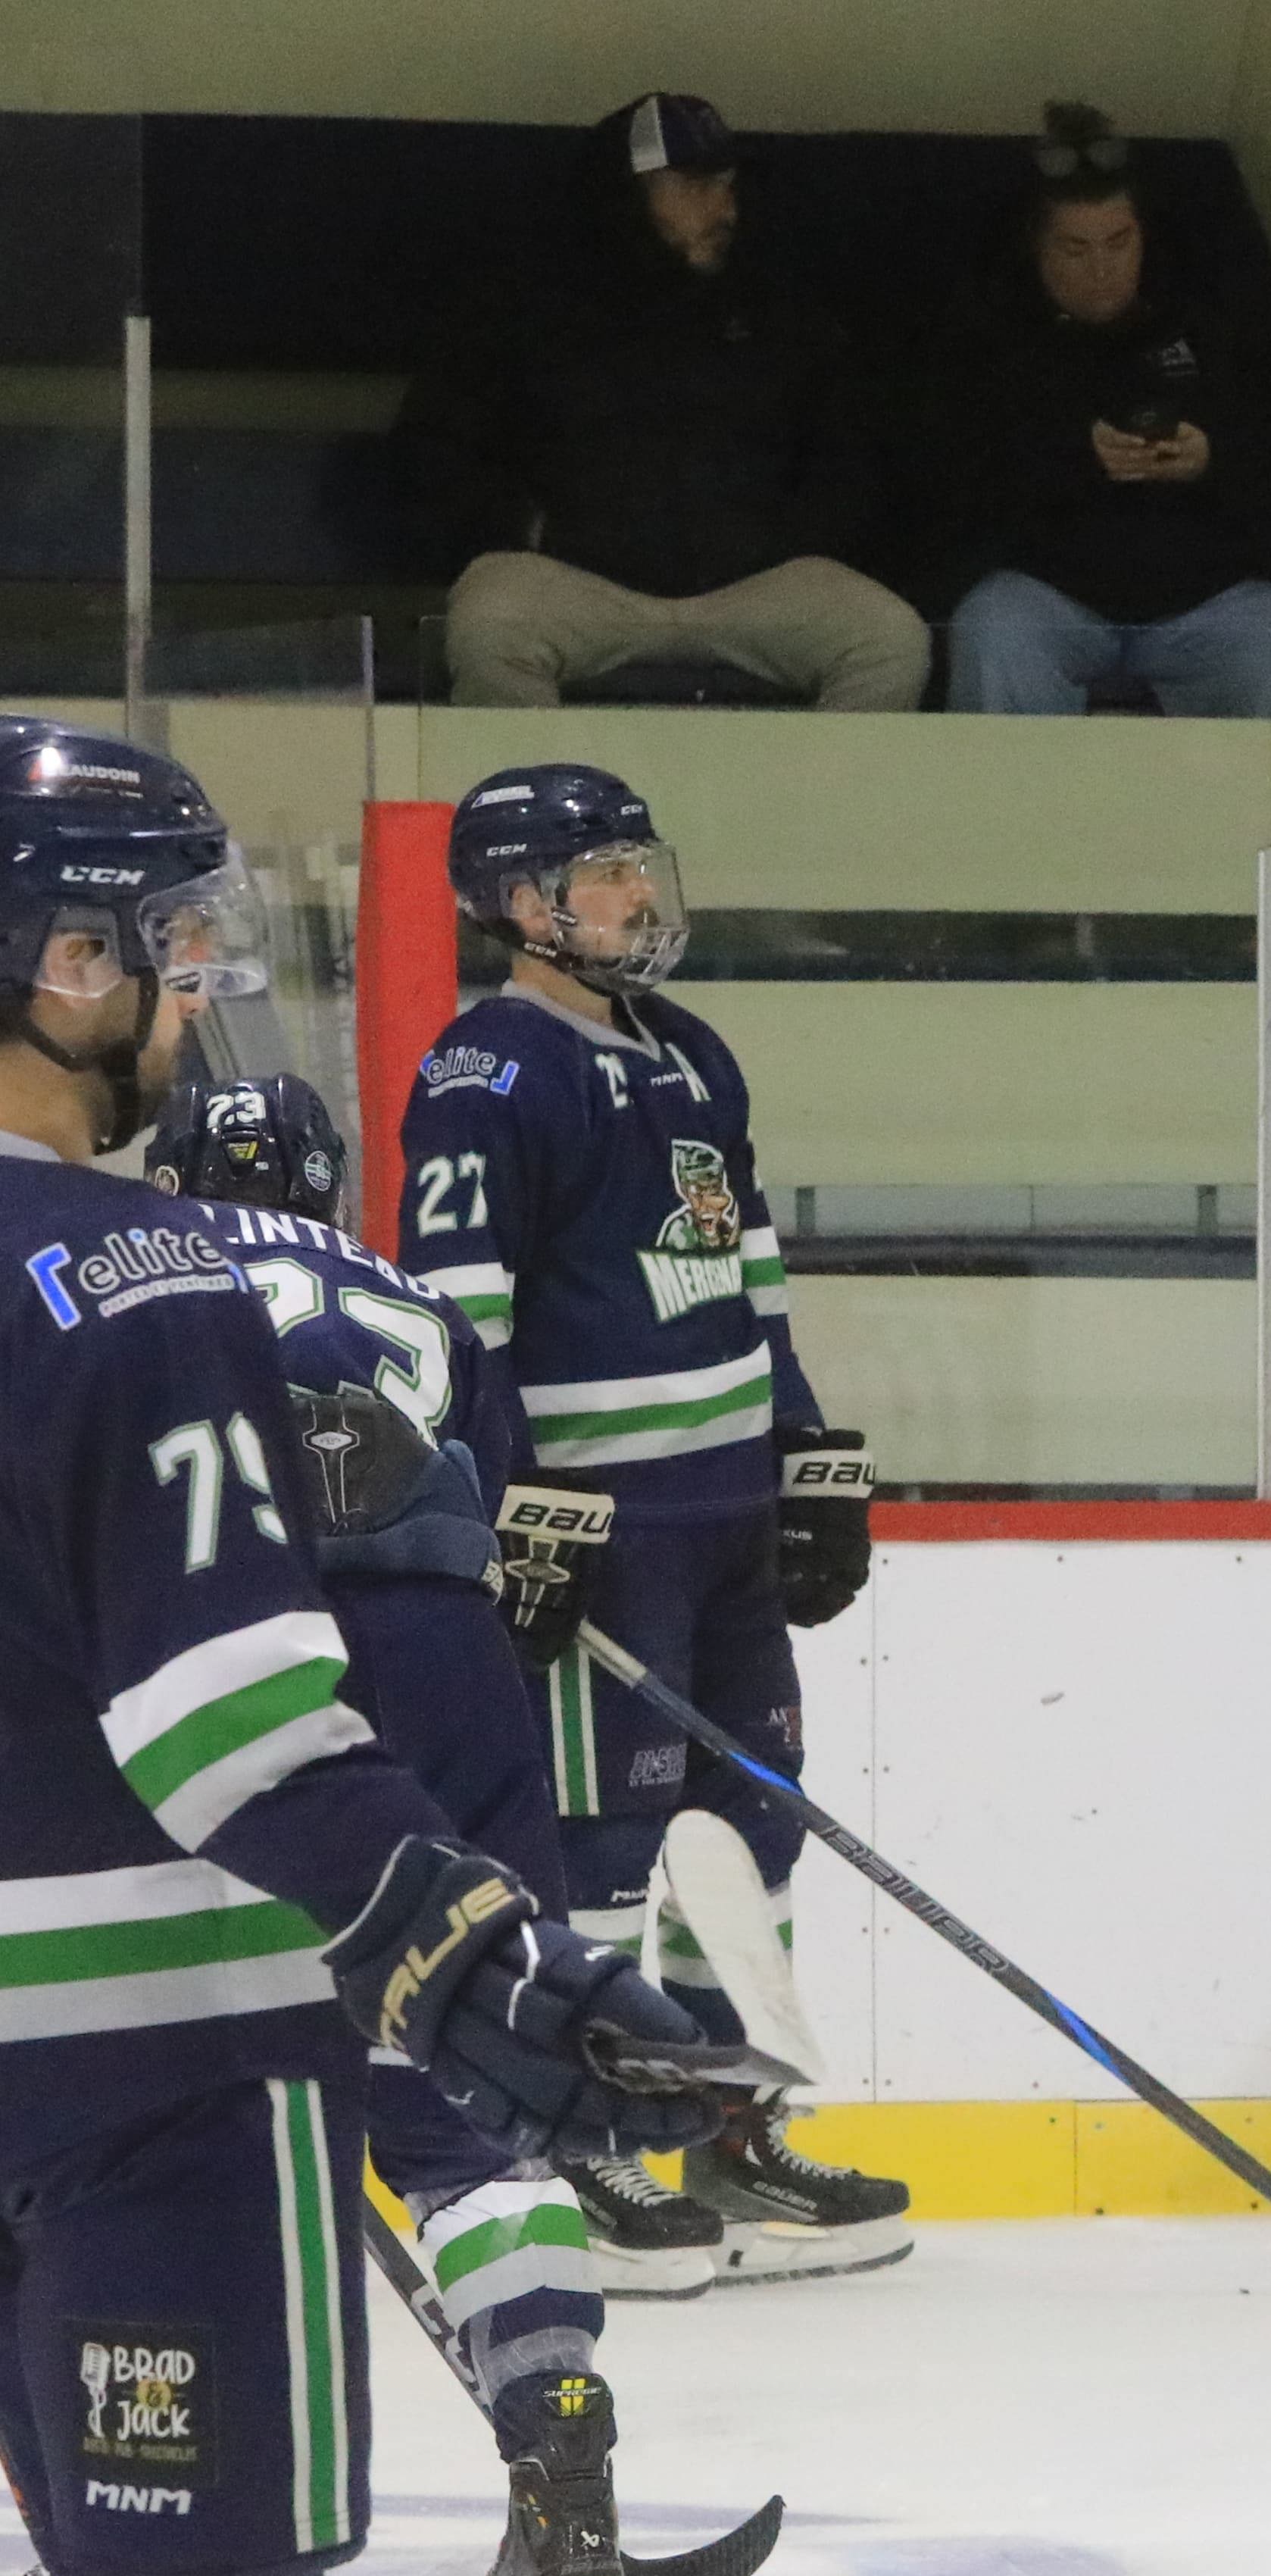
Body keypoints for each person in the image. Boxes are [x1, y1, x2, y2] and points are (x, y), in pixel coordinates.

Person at [0, 719, 722, 2576]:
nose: (203, 998)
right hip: (153, 2047)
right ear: (62, 962)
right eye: (172, 950)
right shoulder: (131, 1279)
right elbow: (229, 1725)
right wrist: (474, 1945)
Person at [142, 1075, 644, 2576]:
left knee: (148, 2097)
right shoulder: (412, 1294)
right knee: (466, 2088)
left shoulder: (134, 1272)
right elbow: (512, 1520)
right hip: (447, 1662)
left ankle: (115, 2521)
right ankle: (557, 2425)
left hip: (239, 1651)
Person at [398, 763, 914, 2287]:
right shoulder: (485, 1074)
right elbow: (455, 1319)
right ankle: (591, 2145)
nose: (638, 894)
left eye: (640, 864)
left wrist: (803, 1448)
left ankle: (733, 2127)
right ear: (520, 904)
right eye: (604, 872)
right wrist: (506, 1509)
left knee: (757, 1821)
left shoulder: (691, 1052)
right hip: (604, 1525)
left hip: (724, 1511)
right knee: (603, 1844)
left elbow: (753, 1278)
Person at [393, 92, 932, 712]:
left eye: (728, 187)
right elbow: (436, 448)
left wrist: (786, 539)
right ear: (628, 194)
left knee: (889, 642)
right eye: (696, 187)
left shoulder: (777, 313)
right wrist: (529, 527)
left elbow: (849, 456)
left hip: (755, 585)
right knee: (492, 629)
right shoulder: (525, 312)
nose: (725, 209)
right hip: (575, 580)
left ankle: (817, 785)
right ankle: (539, 783)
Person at [934, 103, 1271, 721]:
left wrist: (1211, 457)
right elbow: (954, 477)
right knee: (990, 635)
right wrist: (1075, 456)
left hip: (1204, 596)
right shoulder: (990, 333)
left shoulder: (1210, 318)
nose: (1102, 269)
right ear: (1037, 249)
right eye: (1075, 249)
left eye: (1119, 243)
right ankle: (1015, 790)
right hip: (1050, 593)